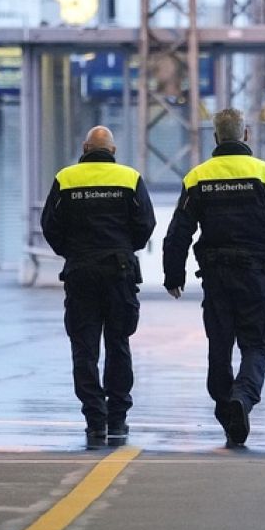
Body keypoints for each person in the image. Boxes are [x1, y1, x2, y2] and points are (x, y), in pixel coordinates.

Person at [162, 108, 265, 446]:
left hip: (216, 277)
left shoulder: (198, 176)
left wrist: (174, 275)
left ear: (215, 137)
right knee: (256, 345)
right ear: (246, 135)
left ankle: (226, 404)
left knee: (220, 344)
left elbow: (179, 231)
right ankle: (242, 398)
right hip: (256, 275)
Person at [42, 126, 156, 447]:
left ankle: (95, 419)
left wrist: (71, 252)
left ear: (84, 147)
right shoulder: (129, 178)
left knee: (84, 347)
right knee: (118, 342)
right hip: (120, 272)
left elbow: (50, 225)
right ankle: (117, 416)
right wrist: (124, 247)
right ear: (113, 151)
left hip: (80, 273)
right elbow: (146, 224)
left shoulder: (66, 179)